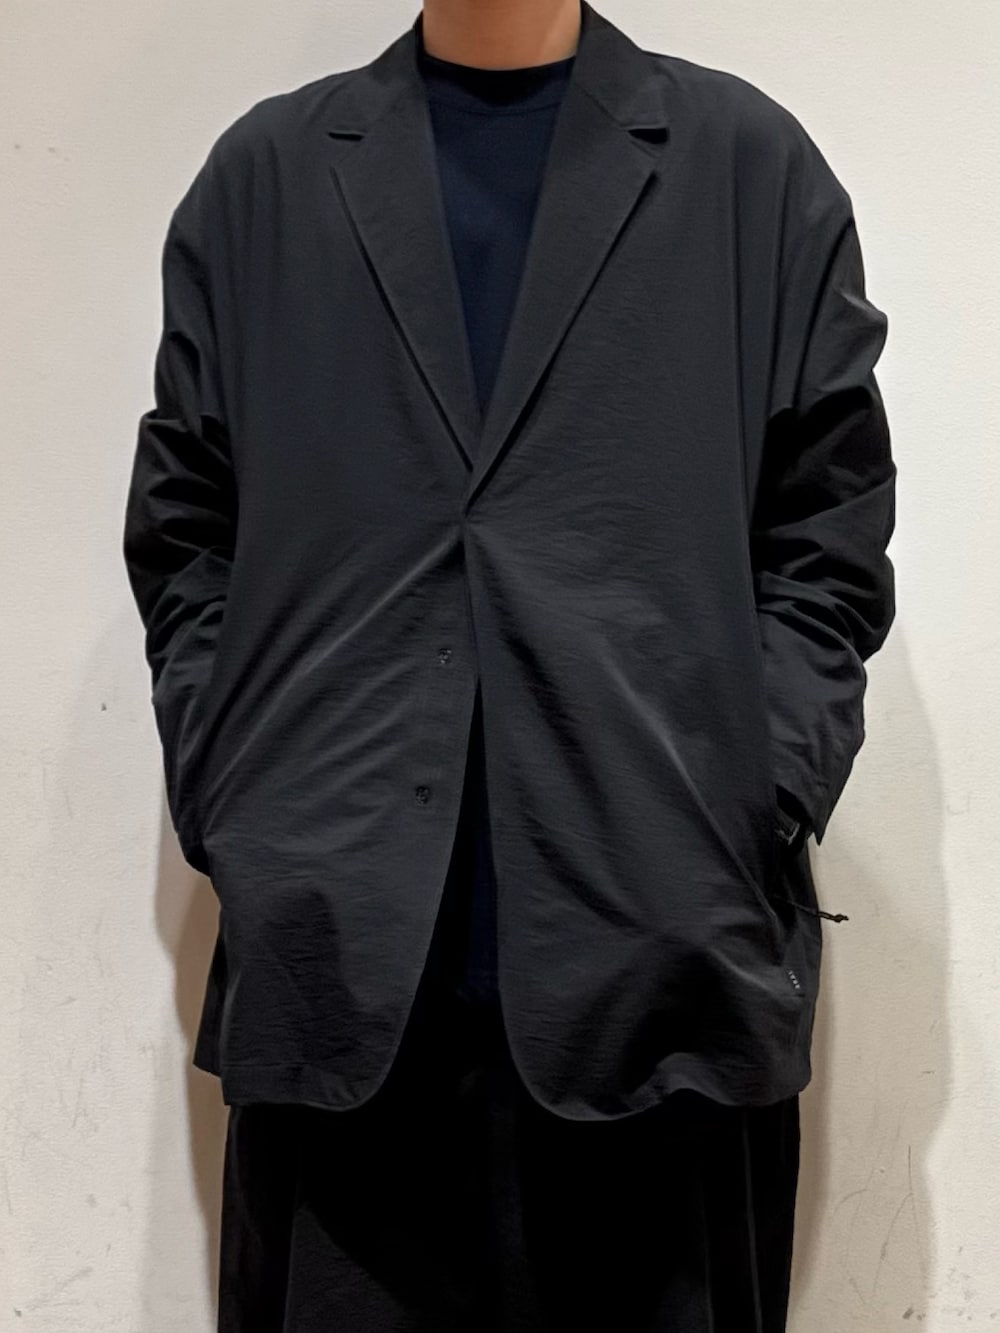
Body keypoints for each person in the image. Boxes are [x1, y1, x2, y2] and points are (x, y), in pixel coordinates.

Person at [122, 1, 897, 1328]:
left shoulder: (744, 167)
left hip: (662, 963)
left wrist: (754, 798)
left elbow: (829, 526)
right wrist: (240, 799)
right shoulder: (268, 179)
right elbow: (187, 527)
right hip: (341, 970)